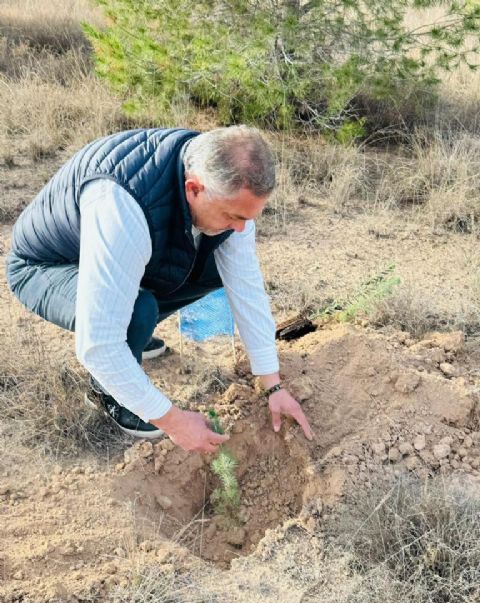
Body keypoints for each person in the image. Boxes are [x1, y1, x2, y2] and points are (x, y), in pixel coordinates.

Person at [6, 125, 314, 454]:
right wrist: (174, 420)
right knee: (135, 312)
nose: (241, 228)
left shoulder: (215, 175)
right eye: (234, 216)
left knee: (214, 269)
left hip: (118, 248)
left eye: (249, 219)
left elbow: (246, 286)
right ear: (194, 188)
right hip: (47, 265)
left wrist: (272, 384)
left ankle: (136, 330)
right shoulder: (122, 205)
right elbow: (98, 345)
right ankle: (105, 391)